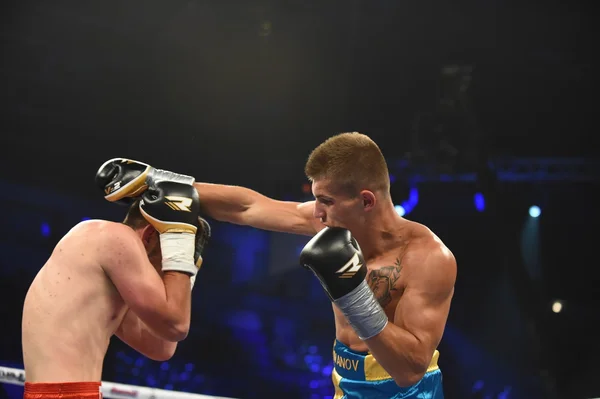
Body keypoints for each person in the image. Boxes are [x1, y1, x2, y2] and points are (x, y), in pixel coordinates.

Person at [96, 132, 456, 398]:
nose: (316, 213)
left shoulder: (427, 258)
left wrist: (353, 294)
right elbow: (248, 207)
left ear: (365, 200)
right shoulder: (331, 221)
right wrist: (164, 183)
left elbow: (409, 369)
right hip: (345, 384)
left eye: (326, 201)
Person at [21, 181, 210, 399]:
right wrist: (181, 259)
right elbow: (176, 326)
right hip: (65, 393)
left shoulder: (109, 279)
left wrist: (189, 273)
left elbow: (161, 346)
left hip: (70, 392)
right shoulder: (114, 236)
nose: (165, 278)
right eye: (167, 263)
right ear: (148, 236)